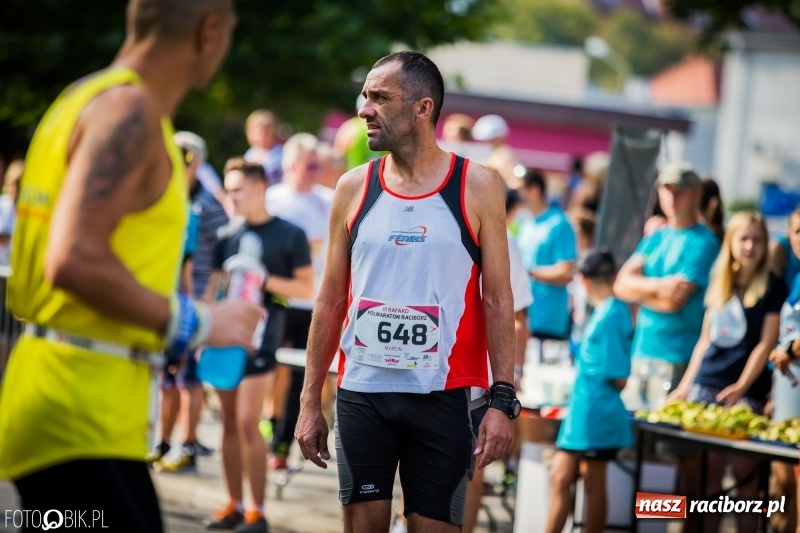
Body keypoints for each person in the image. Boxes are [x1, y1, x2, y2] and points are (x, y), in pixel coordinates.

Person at [0, 1, 262, 531]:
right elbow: (72, 258)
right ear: (209, 31)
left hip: (72, 405)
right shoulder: (131, 112)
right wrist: (203, 323)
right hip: (78, 412)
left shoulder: (88, 97)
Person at [295, 51, 517, 533]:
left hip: (446, 396)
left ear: (422, 108)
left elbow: (498, 300)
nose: (363, 109)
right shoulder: (352, 188)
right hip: (363, 393)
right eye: (365, 96)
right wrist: (310, 399)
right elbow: (330, 300)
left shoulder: (477, 186)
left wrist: (502, 401)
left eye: (379, 97)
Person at [205, 158, 314, 532]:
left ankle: (257, 511)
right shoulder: (226, 235)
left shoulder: (289, 234)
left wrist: (262, 279)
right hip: (223, 339)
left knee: (249, 423)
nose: (230, 196)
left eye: (236, 189)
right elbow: (215, 288)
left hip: (263, 338)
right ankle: (233, 504)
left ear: (258, 188)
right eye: (228, 189)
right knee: (229, 426)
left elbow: (305, 287)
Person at [614, 162, 719, 523]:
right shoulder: (656, 235)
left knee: (678, 457)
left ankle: (677, 526)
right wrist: (659, 287)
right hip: (642, 354)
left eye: (679, 190)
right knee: (640, 452)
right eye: (666, 190)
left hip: (678, 359)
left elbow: (675, 301)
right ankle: (647, 525)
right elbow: (619, 284)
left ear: (695, 194)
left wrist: (642, 290)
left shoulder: (704, 241)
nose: (671, 198)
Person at [669, 212, 784, 533]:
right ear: (731, 242)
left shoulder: (774, 286)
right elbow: (705, 340)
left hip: (747, 392)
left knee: (746, 483)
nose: (750, 246)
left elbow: (766, 344)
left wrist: (741, 386)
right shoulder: (720, 282)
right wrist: (685, 386)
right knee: (709, 480)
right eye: (743, 238)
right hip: (707, 385)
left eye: (757, 239)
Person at [153, 131, 231, 472]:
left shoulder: (208, 206)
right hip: (165, 298)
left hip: (197, 301)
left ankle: (187, 446)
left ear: (196, 163)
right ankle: (162, 441)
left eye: (184, 158)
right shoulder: (164, 197)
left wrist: (207, 301)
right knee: (167, 378)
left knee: (189, 380)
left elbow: (225, 252)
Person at [545, 248, 633, 533]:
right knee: (561, 476)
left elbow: (620, 376)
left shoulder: (611, 313)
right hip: (585, 413)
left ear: (583, 280)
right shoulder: (609, 311)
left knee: (592, 483)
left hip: (596, 414)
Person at [265, 132, 333, 469]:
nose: (315, 171)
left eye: (318, 165)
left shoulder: (329, 198)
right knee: (270, 370)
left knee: (300, 378)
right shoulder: (273, 198)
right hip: (277, 300)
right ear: (291, 165)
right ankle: (269, 420)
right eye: (309, 165)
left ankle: (280, 446)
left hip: (314, 304)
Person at [516, 169, 577, 351]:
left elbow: (567, 272)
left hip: (548, 323)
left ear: (534, 191)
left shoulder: (559, 223)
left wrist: (526, 272)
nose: (515, 195)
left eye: (519, 189)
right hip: (524, 318)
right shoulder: (524, 223)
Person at [471, 114, 520, 189]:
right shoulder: (492, 154)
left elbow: (508, 182)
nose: (483, 144)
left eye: (490, 140)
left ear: (499, 138)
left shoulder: (504, 154)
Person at [244, 109, 284, 185]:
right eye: (258, 131)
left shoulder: (282, 153)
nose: (262, 135)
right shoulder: (249, 155)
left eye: (266, 130)